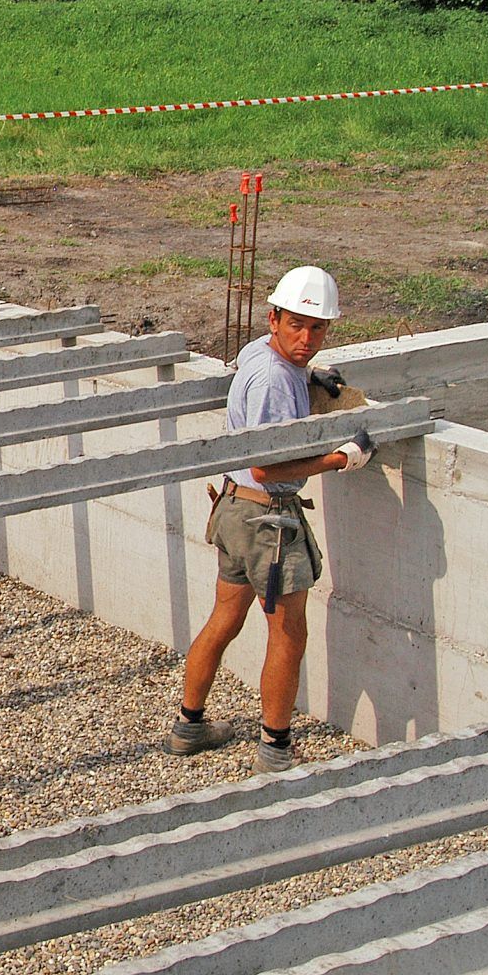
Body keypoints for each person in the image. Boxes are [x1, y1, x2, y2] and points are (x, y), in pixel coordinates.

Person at [166, 265, 374, 773]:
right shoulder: (276, 381)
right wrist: (340, 458)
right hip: (266, 522)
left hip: (234, 509)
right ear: (274, 318)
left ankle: (188, 727)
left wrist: (312, 375)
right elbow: (266, 466)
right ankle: (275, 751)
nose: (306, 339)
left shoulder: (261, 352)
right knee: (289, 634)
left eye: (317, 328)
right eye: (296, 326)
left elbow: (266, 362)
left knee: (225, 618)